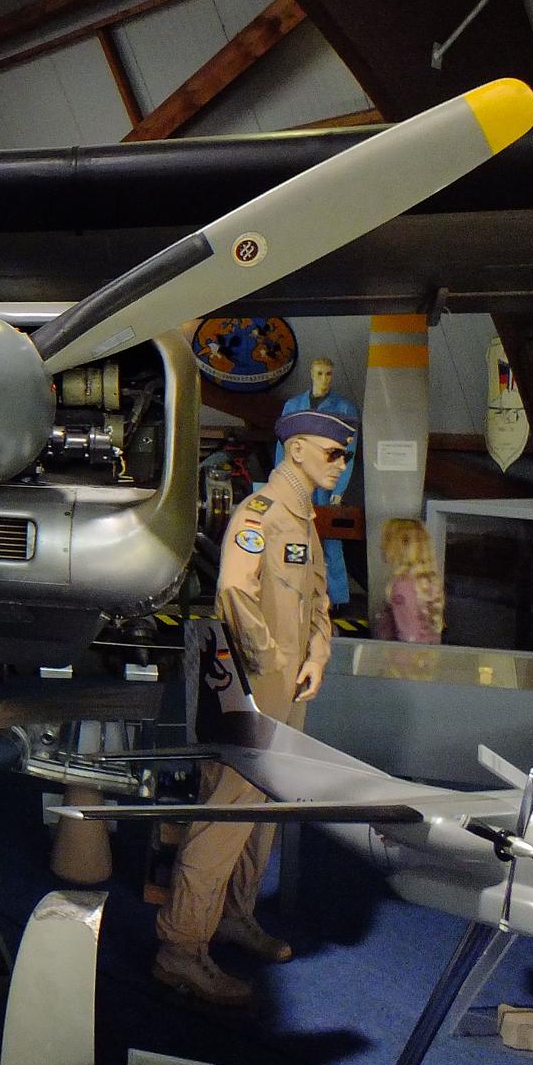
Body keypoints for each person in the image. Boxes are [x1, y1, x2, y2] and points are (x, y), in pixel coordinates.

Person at [154, 408, 354, 1006]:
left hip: (287, 683)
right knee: (227, 810)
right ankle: (181, 948)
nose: (340, 464)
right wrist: (269, 661)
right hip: (248, 679)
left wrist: (317, 654)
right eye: (332, 452)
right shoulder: (259, 514)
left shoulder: (305, 519)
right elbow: (234, 591)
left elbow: (317, 598)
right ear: (295, 450)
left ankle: (234, 916)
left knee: (264, 805)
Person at [275, 357, 360, 607]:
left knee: (330, 540)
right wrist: (282, 482)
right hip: (298, 481)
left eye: (328, 374)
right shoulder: (293, 405)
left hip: (327, 483)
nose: (324, 379)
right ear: (311, 374)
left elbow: (348, 452)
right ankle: (292, 589)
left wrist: (339, 489)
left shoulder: (344, 408)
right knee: (294, 536)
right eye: (320, 373)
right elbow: (283, 446)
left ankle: (337, 597)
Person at [375, 518, 444, 644]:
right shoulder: (428, 581)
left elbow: (408, 634)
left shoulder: (402, 586)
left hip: (404, 659)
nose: (381, 546)